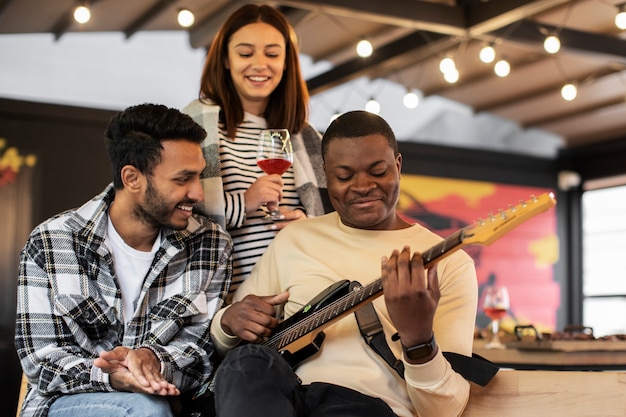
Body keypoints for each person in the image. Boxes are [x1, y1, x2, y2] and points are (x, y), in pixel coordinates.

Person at [210, 110, 479, 417]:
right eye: (345, 176)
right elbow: (228, 337)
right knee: (245, 365)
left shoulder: (449, 263)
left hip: (366, 407)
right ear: (325, 175)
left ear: (398, 166)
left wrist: (418, 339)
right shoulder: (293, 238)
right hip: (284, 397)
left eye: (378, 172)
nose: (363, 185)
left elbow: (445, 410)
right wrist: (228, 322)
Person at [14, 103, 233, 417]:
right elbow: (42, 360)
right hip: (67, 403)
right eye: (183, 179)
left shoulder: (210, 245)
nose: (198, 193)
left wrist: (151, 360)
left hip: (168, 405)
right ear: (132, 178)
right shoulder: (52, 242)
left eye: (199, 177)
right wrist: (113, 378)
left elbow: (200, 354)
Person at [183, 3, 331, 296]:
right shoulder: (199, 125)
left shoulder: (304, 135)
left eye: (273, 54)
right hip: (232, 299)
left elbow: (332, 223)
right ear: (225, 59)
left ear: (287, 61)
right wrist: (243, 202)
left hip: (299, 291)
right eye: (245, 53)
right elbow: (178, 212)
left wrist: (307, 227)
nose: (260, 64)